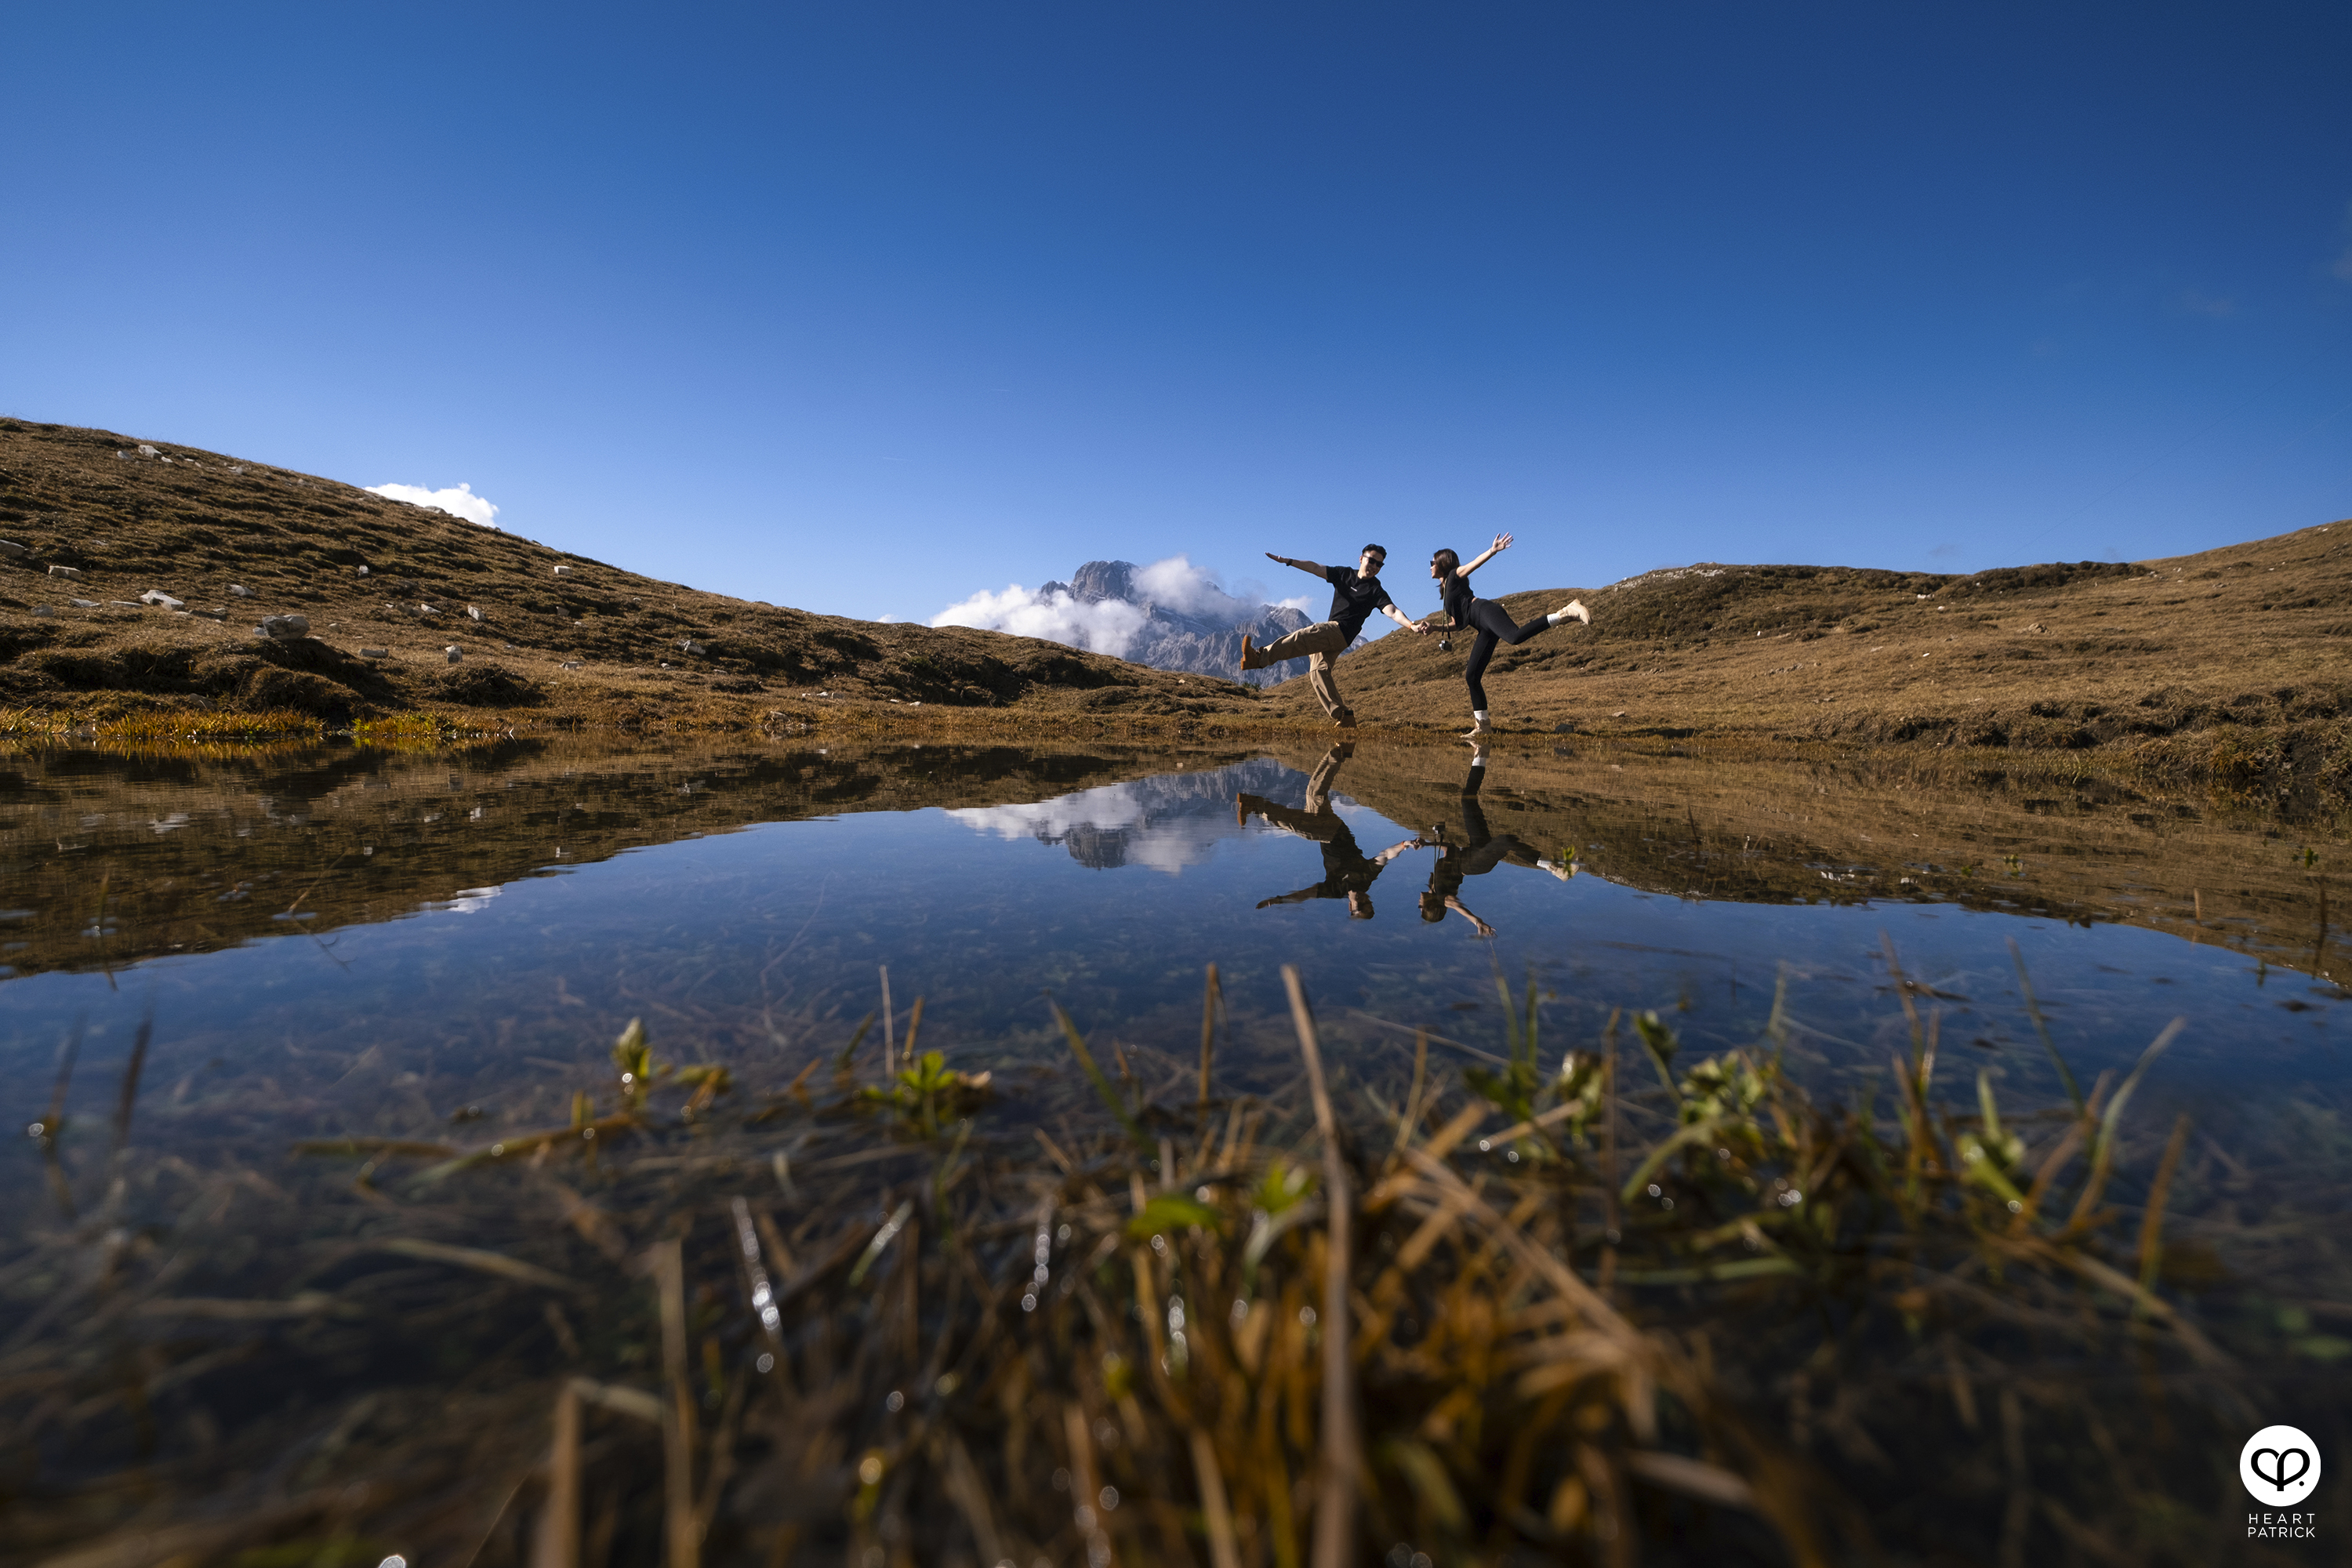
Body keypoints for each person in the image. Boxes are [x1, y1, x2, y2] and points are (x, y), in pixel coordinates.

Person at [1240, 543, 1429, 728]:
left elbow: (1393, 611)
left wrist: (1411, 625)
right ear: (1361, 558)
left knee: (1305, 635)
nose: (1374, 567)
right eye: (1372, 561)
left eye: (1379, 564)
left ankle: (1259, 658)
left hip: (1339, 631)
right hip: (1337, 638)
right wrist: (1288, 561)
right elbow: (1315, 568)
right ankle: (1344, 716)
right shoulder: (1344, 574)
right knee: (1318, 672)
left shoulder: (1375, 590)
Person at [1430, 533, 1589, 739]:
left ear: (1443, 564)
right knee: (1472, 676)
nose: (1430, 566)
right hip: (1482, 626)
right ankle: (1483, 726)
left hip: (1486, 611)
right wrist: (1433, 628)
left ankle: (1563, 613)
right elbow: (1458, 625)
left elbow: (1473, 565)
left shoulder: (1454, 576)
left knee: (1514, 637)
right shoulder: (1446, 591)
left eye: (1433, 562)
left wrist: (1492, 551)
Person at [1236, 742, 1418, 919]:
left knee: (1314, 793)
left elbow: (1305, 895)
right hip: (1332, 833)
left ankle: (1340, 750)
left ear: (1350, 906)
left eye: (1359, 906)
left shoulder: (1334, 890)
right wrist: (1405, 844)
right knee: (1299, 827)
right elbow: (1386, 855)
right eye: (1367, 903)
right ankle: (1255, 805)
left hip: (1329, 829)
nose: (1363, 900)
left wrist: (1278, 901)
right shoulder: (1366, 878)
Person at [1417, 746, 1577, 935]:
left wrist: (1427, 843)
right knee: (1506, 841)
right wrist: (1477, 922)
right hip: (1475, 864)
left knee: (1467, 801)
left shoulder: (1436, 884)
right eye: (1421, 908)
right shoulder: (1443, 897)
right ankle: (1555, 869)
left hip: (1474, 849)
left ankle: (1480, 756)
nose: (1418, 905)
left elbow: (1449, 847)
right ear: (1431, 906)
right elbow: (1456, 905)